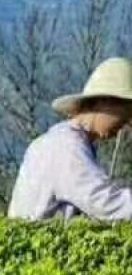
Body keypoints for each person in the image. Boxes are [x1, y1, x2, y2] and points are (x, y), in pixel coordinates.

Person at [9, 57, 132, 222]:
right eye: (126, 113)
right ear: (104, 102)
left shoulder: (60, 141)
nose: (126, 123)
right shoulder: (66, 148)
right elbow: (107, 205)